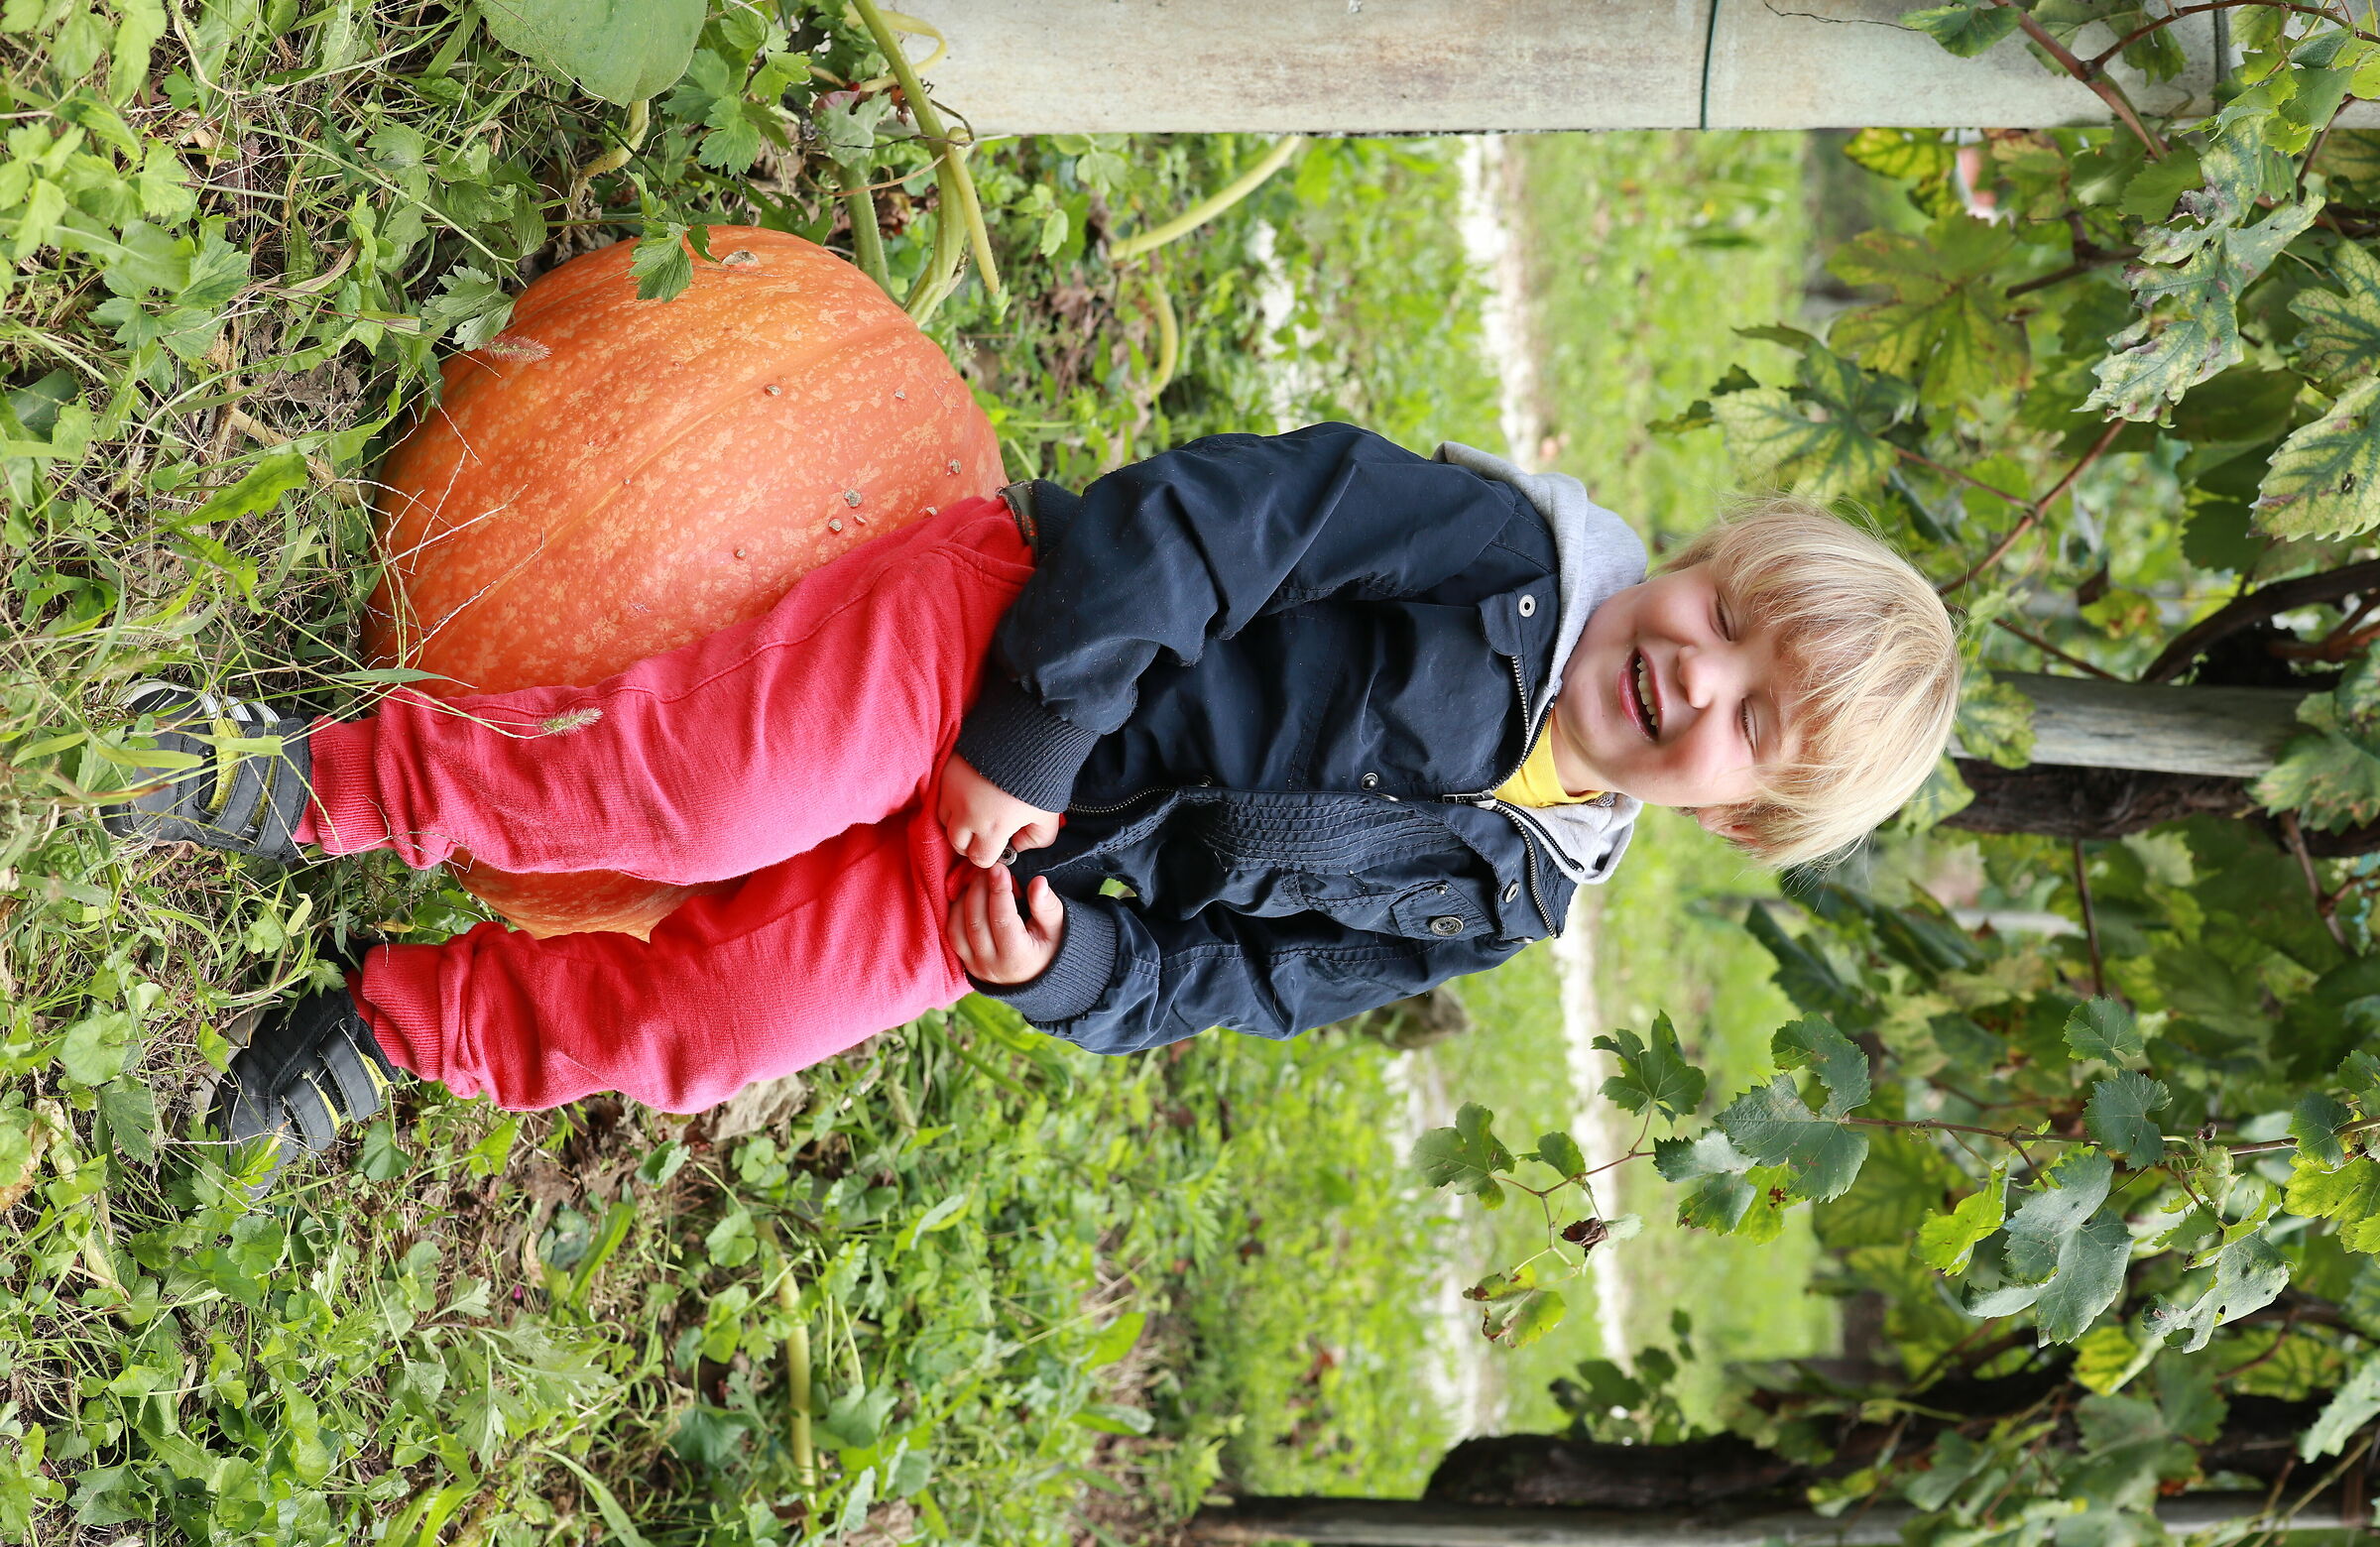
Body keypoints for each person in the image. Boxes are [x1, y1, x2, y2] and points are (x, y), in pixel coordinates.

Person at [104, 423, 1961, 1181]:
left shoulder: (1501, 896)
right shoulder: (1494, 560)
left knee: (723, 1028)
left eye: (1748, 720)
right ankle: (312, 778)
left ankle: (397, 1023)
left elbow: (1249, 980)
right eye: (1722, 617)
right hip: (996, 642)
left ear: (1728, 817)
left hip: (1006, 880)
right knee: (698, 796)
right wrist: (1037, 738)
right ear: (1695, 561)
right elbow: (1209, 521)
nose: (1696, 674)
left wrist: (1069, 964)